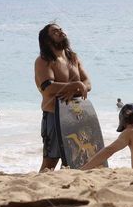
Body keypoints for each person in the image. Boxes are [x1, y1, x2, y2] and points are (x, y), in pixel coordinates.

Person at [34, 23, 93, 172]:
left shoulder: (73, 58)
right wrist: (75, 85)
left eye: (60, 29)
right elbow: (48, 88)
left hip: (75, 115)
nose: (61, 32)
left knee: (77, 158)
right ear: (47, 41)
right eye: (55, 32)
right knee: (50, 162)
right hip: (54, 116)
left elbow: (88, 84)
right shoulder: (43, 61)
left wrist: (74, 90)